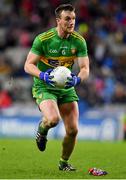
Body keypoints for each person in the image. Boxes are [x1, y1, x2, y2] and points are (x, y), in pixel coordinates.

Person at [24, 4, 89, 171]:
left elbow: (85, 69)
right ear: (58, 20)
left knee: (73, 130)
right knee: (53, 120)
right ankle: (42, 129)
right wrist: (43, 75)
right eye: (67, 19)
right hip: (44, 86)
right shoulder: (43, 39)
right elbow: (28, 65)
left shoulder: (79, 41)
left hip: (66, 87)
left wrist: (77, 80)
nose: (72, 22)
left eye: (73, 18)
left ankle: (63, 163)